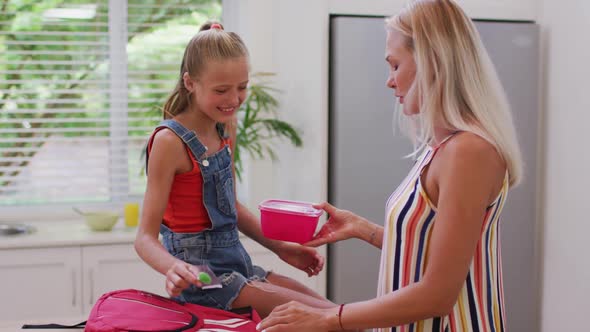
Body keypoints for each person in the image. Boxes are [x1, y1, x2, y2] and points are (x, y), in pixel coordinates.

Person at [257, 0, 523, 331]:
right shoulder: (444, 147)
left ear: (432, 62)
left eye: (395, 65)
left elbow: (438, 294)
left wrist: (328, 318)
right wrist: (361, 228)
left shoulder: (469, 152)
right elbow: (432, 251)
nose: (390, 80)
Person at [134, 21, 336, 318]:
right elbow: (144, 238)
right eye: (221, 90)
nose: (233, 100)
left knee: (336, 312)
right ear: (190, 82)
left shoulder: (224, 126)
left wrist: (281, 247)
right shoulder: (169, 141)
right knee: (329, 318)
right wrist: (173, 267)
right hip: (204, 278)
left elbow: (232, 208)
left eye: (242, 87)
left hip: (238, 264)